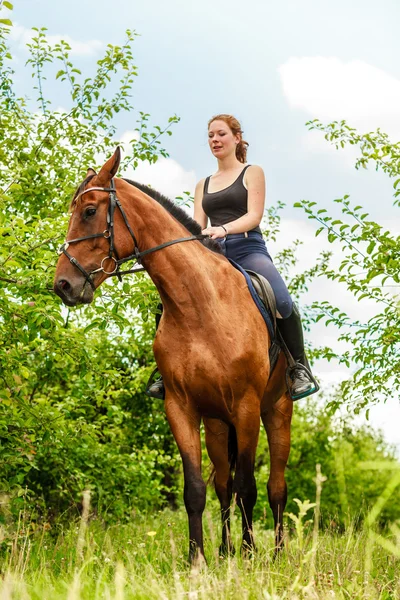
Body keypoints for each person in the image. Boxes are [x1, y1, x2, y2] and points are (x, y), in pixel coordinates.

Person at [146, 114, 317, 401]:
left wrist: (223, 228)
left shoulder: (252, 172)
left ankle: (299, 368)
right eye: (211, 135)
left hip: (248, 249)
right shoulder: (203, 184)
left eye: (221, 134)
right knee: (165, 301)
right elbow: (196, 226)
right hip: (213, 255)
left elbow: (254, 216)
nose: (215, 139)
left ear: (236, 138)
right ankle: (165, 372)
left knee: (283, 301)